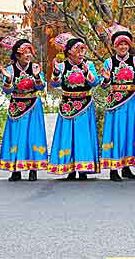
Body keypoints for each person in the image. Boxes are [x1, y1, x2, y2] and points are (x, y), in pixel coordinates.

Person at [48, 33, 101, 180]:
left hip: (84, 105)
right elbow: (54, 84)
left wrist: (86, 71)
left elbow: (95, 82)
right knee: (67, 136)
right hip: (67, 105)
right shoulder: (62, 65)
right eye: (77, 49)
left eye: (82, 49)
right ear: (69, 51)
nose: (80, 52)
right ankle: (69, 168)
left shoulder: (88, 65)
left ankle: (83, 168)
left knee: (83, 136)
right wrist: (56, 73)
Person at [99, 24, 135, 181]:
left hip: (131, 101)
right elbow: (103, 85)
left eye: (125, 44)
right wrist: (106, 79)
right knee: (115, 133)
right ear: (114, 46)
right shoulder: (109, 62)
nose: (123, 47)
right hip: (115, 103)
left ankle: (126, 167)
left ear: (129, 45)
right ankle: (114, 169)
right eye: (120, 44)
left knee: (129, 132)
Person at [0, 37, 48, 181]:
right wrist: (8, 79)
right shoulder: (10, 69)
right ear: (17, 55)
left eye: (29, 52)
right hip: (16, 106)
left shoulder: (35, 67)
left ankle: (33, 169)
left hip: (33, 106)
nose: (28, 55)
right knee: (15, 136)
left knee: (33, 136)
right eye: (25, 53)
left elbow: (41, 87)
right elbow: (7, 91)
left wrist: (37, 77)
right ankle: (16, 170)